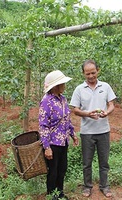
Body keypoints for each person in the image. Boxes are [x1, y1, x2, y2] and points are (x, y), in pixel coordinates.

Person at [69, 60, 116, 198]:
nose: (91, 76)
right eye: (87, 73)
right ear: (83, 73)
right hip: (87, 132)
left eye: (93, 73)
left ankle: (104, 186)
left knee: (104, 161)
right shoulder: (79, 89)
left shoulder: (105, 86)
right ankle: (87, 186)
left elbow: (111, 104)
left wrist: (107, 112)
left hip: (103, 130)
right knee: (86, 162)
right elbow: (75, 110)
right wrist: (87, 114)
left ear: (98, 71)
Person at [39, 70, 79, 200]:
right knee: (53, 171)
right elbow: (43, 125)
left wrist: (73, 134)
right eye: (62, 83)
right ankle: (52, 195)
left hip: (63, 141)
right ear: (56, 86)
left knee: (62, 169)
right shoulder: (46, 101)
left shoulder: (63, 99)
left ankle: (60, 193)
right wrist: (47, 147)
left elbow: (67, 119)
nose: (64, 86)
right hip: (52, 143)